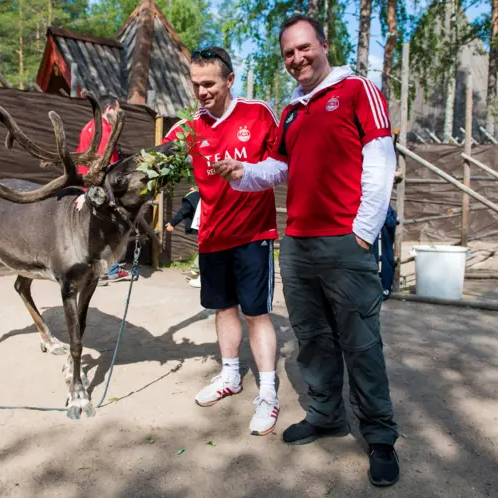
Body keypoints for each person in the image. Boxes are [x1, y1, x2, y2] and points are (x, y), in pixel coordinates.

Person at [213, 15, 400, 486]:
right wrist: (241, 171)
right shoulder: (293, 109)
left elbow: (380, 157)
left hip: (345, 241)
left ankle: (379, 437)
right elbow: (277, 169)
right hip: (296, 244)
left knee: (360, 342)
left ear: (323, 44)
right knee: (313, 338)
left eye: (304, 48)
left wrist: (364, 230)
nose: (297, 59)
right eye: (289, 54)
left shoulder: (359, 90)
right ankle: (326, 413)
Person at [163, 46, 281, 436]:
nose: (202, 92)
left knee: (255, 313)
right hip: (212, 235)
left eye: (209, 83)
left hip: (253, 233)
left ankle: (267, 391)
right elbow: (153, 165)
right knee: (223, 308)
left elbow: (283, 166)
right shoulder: (187, 129)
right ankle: (230, 375)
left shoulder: (258, 113)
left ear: (229, 80)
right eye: (196, 85)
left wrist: (245, 170)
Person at [75, 95, 130, 285]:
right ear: (109, 109)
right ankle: (106, 270)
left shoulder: (94, 126)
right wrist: (89, 191)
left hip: (95, 186)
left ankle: (106, 270)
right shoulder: (103, 131)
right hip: (101, 188)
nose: (119, 114)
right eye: (118, 109)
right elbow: (101, 165)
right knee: (108, 228)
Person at [165, 186, 201, 287]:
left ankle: (198, 272)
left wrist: (172, 223)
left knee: (206, 249)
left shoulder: (192, 197)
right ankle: (196, 269)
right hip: (210, 224)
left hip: (206, 225)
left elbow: (184, 211)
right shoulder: (203, 195)